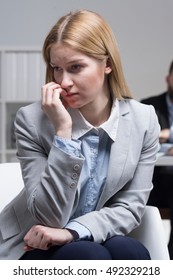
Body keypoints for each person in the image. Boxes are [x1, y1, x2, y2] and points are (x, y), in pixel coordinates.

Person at [0, 9, 160, 260]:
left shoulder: (144, 120)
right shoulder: (31, 120)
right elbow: (49, 217)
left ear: (107, 64)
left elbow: (130, 208)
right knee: (89, 255)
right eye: (56, 69)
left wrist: (74, 231)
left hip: (93, 234)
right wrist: (63, 134)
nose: (64, 81)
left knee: (131, 251)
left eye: (76, 67)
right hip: (32, 242)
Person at [141, 61, 173, 259]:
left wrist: (167, 134)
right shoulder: (147, 106)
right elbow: (142, 140)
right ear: (168, 79)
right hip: (154, 180)